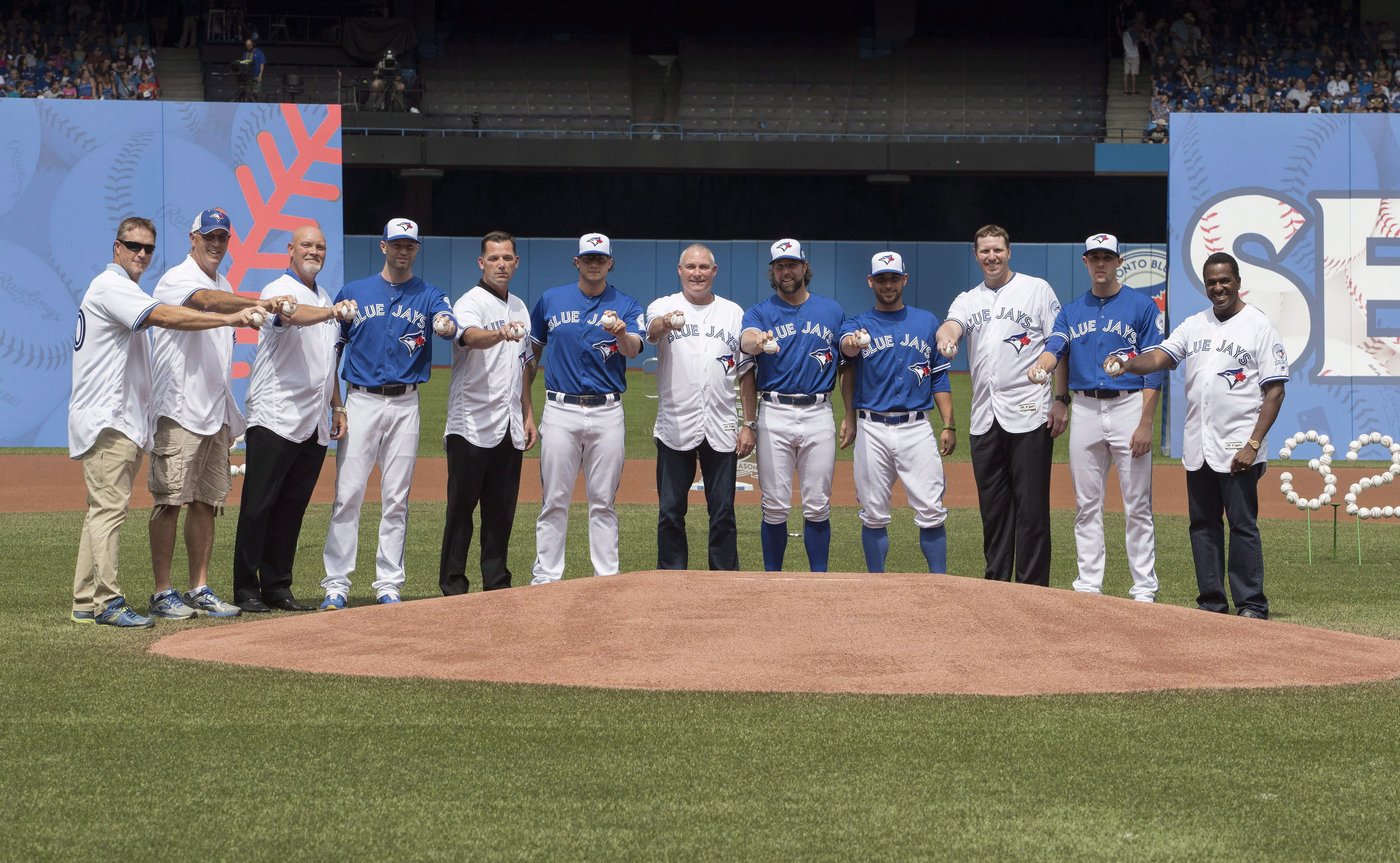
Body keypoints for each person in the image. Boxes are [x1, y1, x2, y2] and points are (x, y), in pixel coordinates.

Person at [68, 217, 264, 629]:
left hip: (122, 417)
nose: (140, 254)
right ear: (116, 247)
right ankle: (107, 601)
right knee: (111, 511)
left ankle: (86, 600)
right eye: (133, 245)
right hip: (109, 417)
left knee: (103, 511)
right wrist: (231, 318)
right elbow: (167, 316)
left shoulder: (124, 288)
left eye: (147, 248)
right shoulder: (113, 286)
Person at [1107, 252, 1288, 619]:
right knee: (1202, 525)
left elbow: (1275, 392)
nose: (1218, 288)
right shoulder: (1195, 324)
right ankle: (1211, 603)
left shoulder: (1259, 325)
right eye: (1211, 282)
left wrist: (1253, 444)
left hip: (1239, 444)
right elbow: (1160, 357)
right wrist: (1128, 363)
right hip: (1199, 444)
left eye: (1225, 281)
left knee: (1241, 525)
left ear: (1238, 282)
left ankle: (1251, 603)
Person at [147, 207, 295, 621]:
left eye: (222, 238)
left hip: (212, 410)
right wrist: (257, 302)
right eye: (208, 236)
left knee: (206, 502)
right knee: (169, 501)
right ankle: (162, 591)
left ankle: (199, 587)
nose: (215, 244)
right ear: (192, 238)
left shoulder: (225, 281)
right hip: (178, 407)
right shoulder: (179, 278)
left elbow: (220, 304)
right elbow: (205, 302)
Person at [321, 218, 456, 608]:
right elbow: (334, 351)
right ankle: (336, 584)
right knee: (348, 493)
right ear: (383, 246)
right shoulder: (355, 292)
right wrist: (336, 404)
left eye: (409, 245)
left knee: (396, 497)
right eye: (396, 244)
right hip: (360, 400)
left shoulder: (430, 295)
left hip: (405, 402)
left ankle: (388, 583)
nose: (402, 250)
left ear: (416, 249)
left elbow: (446, 322)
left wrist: (445, 326)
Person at [1029, 233, 1163, 602]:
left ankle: (1144, 588)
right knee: (1086, 504)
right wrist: (1047, 372)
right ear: (1085, 262)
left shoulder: (1142, 306)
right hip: (1085, 407)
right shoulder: (1071, 311)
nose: (1100, 263)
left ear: (1119, 261)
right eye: (1094, 257)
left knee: (1137, 504)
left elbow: (1154, 367)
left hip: (1129, 405)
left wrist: (1146, 422)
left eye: (1107, 257)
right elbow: (1056, 346)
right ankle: (1088, 584)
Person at [233, 224, 355, 613]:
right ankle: (245, 587)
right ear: (290, 249)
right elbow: (293, 316)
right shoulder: (277, 290)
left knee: (291, 507)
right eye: (307, 245)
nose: (314, 252)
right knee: (259, 503)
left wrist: (337, 405)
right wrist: (332, 312)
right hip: (276, 414)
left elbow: (329, 359)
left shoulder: (323, 296)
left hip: (314, 420)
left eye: (320, 246)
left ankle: (277, 584)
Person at [936, 225, 1066, 586]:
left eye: (997, 250)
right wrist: (947, 338)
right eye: (984, 251)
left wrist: (1060, 398)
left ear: (1010, 252)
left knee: (1031, 508)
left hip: (1029, 412)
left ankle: (1032, 588)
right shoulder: (968, 299)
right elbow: (950, 326)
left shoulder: (1036, 290)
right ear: (976, 255)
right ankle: (996, 584)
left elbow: (1059, 341)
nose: (991, 257)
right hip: (984, 416)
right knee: (993, 509)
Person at [527, 233, 645, 584]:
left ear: (610, 263)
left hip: (607, 411)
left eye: (601, 258)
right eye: (588, 258)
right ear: (576, 262)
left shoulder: (626, 304)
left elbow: (634, 349)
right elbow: (532, 355)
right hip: (560, 409)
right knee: (554, 499)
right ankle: (547, 575)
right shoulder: (551, 300)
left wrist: (622, 334)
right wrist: (526, 410)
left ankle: (606, 576)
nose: (594, 263)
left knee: (603, 501)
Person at [837, 252, 955, 573]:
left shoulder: (927, 321)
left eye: (893, 278)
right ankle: (877, 582)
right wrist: (852, 343)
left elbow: (939, 376)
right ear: (870, 282)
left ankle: (939, 581)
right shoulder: (858, 323)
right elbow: (846, 352)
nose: (887, 285)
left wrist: (949, 424)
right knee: (873, 512)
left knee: (931, 509)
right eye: (881, 279)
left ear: (905, 279)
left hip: (916, 426)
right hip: (872, 427)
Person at [739, 239, 848, 572]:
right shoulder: (760, 311)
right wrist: (758, 340)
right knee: (774, 505)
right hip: (775, 413)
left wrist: (851, 416)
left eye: (792, 264)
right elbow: (746, 340)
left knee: (817, 505)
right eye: (780, 266)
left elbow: (846, 365)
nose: (786, 271)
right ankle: (773, 579)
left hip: (819, 412)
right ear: (773, 272)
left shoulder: (832, 310)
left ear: (804, 267)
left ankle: (819, 579)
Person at [439, 231, 537, 595]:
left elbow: (524, 365)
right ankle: (453, 584)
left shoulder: (520, 307)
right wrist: (499, 334)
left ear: (516, 263)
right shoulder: (470, 301)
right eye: (493, 258)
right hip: (470, 424)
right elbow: (469, 336)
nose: (501, 264)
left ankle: (497, 582)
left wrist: (528, 413)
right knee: (461, 510)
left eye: (507, 258)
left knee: (500, 512)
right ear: (481, 263)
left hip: (509, 424)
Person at [646, 243, 756, 571]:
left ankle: (724, 581)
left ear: (714, 271)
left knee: (723, 513)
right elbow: (651, 332)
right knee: (670, 512)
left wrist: (749, 423)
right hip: (675, 424)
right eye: (690, 267)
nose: (697, 273)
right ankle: (672, 579)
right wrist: (665, 322)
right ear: (680, 271)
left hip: (721, 425)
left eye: (704, 267)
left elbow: (747, 372)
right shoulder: (663, 306)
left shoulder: (734, 313)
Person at [1122, 16, 1142, 95]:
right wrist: (1140, 38)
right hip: (1134, 55)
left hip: (1127, 55)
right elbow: (1135, 43)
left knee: (1126, 73)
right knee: (1133, 74)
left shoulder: (1124, 34)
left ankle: (1126, 91)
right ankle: (1133, 91)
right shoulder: (1133, 33)